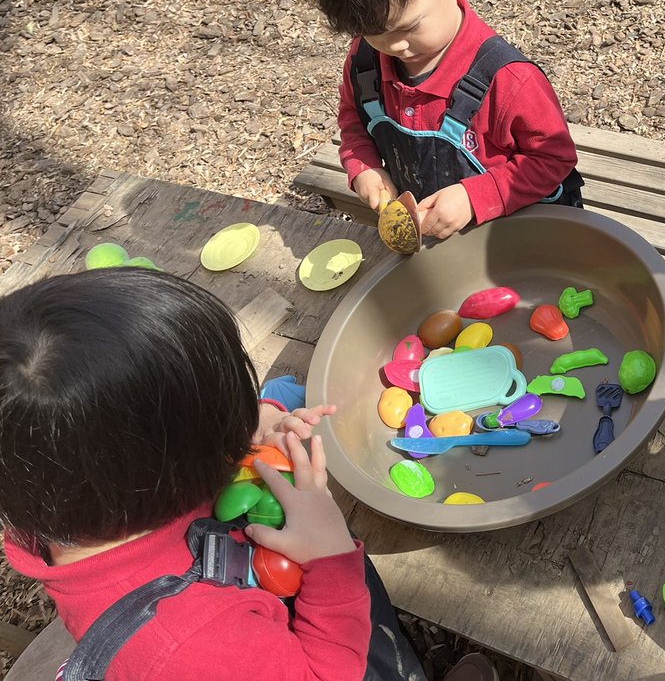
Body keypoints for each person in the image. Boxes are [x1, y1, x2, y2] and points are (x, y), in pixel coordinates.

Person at [0, 268, 495, 681]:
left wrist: (260, 422)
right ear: (167, 469)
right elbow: (324, 674)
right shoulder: (195, 645)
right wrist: (330, 559)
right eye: (226, 425)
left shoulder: (61, 492)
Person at [298, 0, 583, 240]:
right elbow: (354, 122)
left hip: (518, 239)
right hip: (439, 237)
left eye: (409, 26)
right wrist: (362, 165)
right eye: (373, 33)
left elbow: (553, 157)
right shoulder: (365, 65)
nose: (395, 46)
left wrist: (477, 196)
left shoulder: (508, 81)